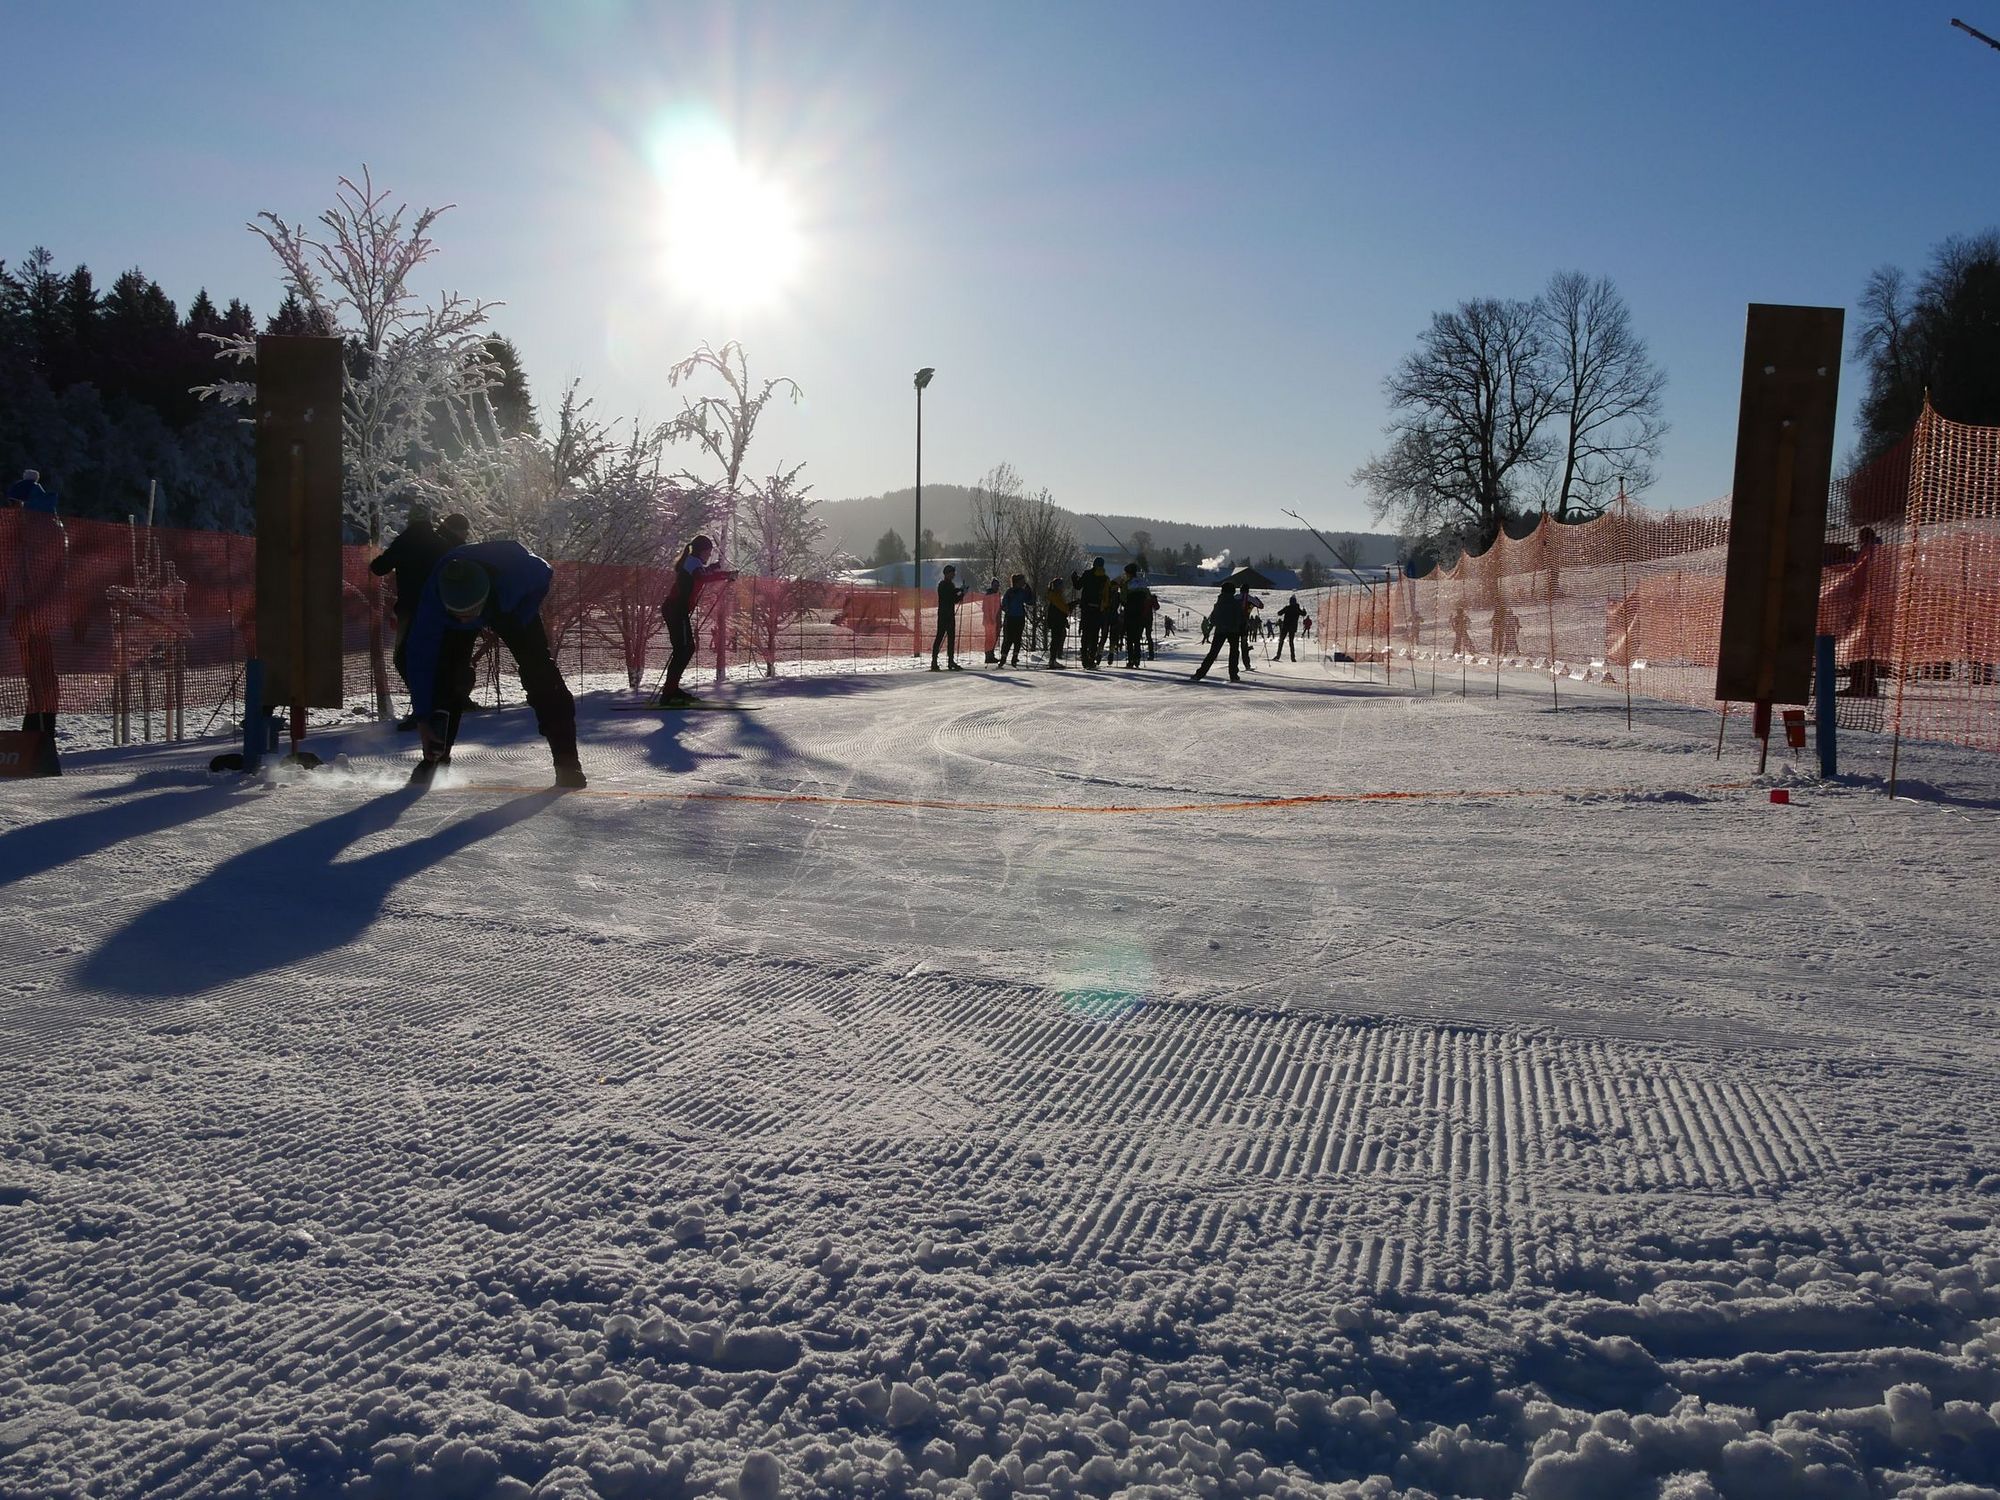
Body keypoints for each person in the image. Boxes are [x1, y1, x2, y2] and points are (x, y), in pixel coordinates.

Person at [404, 540, 584, 788]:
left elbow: (545, 573)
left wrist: (517, 614)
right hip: (469, 611)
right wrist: (423, 718)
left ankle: (567, 762)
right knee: (446, 677)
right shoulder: (434, 604)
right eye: (457, 613)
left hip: (509, 606)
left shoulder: (520, 576)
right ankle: (436, 757)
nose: (464, 619)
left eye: (468, 612)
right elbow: (420, 661)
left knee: (540, 673)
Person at [370, 502, 459, 724]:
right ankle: (439, 705)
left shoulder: (404, 541)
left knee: (404, 659)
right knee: (435, 657)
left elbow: (379, 568)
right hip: (439, 610)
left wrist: (376, 556)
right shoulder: (441, 543)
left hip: (410, 611)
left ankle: (423, 707)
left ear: (410, 519)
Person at [6, 470, 66, 774]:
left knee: (40, 675)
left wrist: (24, 609)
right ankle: (36, 731)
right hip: (34, 612)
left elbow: (31, 576)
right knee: (37, 676)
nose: (11, 511)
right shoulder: (43, 529)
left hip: (36, 614)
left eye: (15, 504)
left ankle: (40, 735)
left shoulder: (38, 532)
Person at [659, 534, 737, 705]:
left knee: (684, 650)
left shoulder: (693, 562)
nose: (709, 555)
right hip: (676, 611)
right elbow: (702, 577)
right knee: (685, 649)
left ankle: (671, 690)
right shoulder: (693, 563)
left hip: (675, 611)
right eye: (708, 552)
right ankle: (669, 693)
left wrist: (714, 568)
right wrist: (725, 574)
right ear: (702, 551)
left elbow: (702, 573)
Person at [1189, 581, 1243, 683]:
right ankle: (1234, 675)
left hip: (1220, 631)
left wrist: (1216, 625)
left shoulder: (1219, 603)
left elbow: (1213, 619)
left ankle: (1199, 674)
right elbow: (1239, 617)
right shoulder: (1236, 603)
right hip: (1233, 631)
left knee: (1213, 653)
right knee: (1234, 652)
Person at [1076, 557, 1112, 669]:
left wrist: (1074, 578)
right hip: (1098, 609)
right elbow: (1108, 595)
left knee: (1085, 633)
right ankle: (1092, 657)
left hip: (1086, 608)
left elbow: (1077, 586)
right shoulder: (1105, 578)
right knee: (1095, 634)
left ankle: (1084, 657)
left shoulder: (1087, 574)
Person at [931, 563, 967, 670]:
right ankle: (934, 661)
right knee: (940, 637)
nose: (954, 575)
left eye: (954, 573)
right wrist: (961, 592)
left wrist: (961, 591)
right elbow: (951, 598)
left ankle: (950, 661)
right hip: (943, 615)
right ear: (946, 574)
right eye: (952, 573)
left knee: (951, 638)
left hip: (949, 614)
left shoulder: (950, 585)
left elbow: (954, 596)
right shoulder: (942, 585)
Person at [998, 573, 1033, 666]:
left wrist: (1029, 592)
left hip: (1017, 617)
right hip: (1013, 617)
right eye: (1022, 581)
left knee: (1015, 639)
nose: (1023, 582)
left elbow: (1030, 601)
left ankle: (1012, 658)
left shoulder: (1017, 592)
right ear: (1017, 582)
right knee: (1010, 639)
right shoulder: (1012, 592)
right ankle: (1005, 658)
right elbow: (1004, 604)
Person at [1120, 563, 1150, 668]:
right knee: (1137, 637)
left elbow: (1123, 599)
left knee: (1129, 637)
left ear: (1128, 573)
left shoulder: (1126, 584)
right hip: (1140, 614)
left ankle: (1131, 659)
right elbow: (1148, 597)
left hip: (1129, 613)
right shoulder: (1143, 583)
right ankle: (1137, 658)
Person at [1044, 576, 1072, 667]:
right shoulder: (1055, 596)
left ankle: (1053, 659)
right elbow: (1063, 608)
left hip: (1057, 620)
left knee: (1057, 639)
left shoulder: (1056, 595)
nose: (1063, 587)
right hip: (1056, 621)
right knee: (1056, 640)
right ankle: (1052, 660)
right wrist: (1072, 605)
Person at [980, 577, 1003, 664]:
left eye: (998, 585)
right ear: (992, 585)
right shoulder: (988, 595)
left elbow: (999, 608)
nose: (997, 587)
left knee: (993, 638)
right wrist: (990, 618)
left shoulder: (997, 595)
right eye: (995, 585)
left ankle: (991, 655)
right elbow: (985, 608)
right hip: (989, 621)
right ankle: (988, 656)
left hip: (996, 620)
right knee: (989, 638)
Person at [1274, 594, 1304, 661]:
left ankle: (1278, 656)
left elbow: (1279, 613)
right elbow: (1303, 614)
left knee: (1281, 641)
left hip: (1285, 627)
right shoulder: (1297, 609)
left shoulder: (1287, 608)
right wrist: (1304, 610)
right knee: (1291, 642)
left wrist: (1283, 609)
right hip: (1293, 627)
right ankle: (1293, 658)